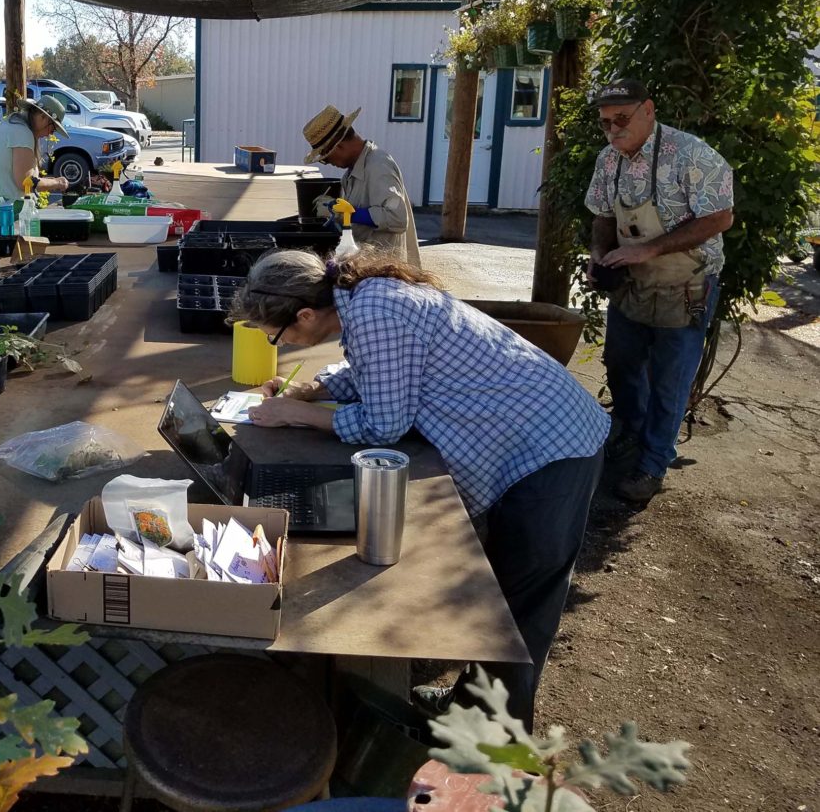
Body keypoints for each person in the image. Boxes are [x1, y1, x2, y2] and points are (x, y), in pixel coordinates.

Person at [232, 247, 608, 728]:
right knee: (497, 590)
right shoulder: (361, 298)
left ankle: (497, 747)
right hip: (534, 436)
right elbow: (380, 370)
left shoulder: (374, 310)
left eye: (278, 337)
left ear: (305, 314)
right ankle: (469, 707)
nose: (282, 346)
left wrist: (296, 413)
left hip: (551, 446)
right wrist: (316, 390)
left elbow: (384, 422)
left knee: (517, 607)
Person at [584, 79, 734, 504]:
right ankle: (631, 430)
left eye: (622, 119)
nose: (613, 130)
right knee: (621, 363)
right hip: (634, 283)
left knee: (670, 381)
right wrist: (600, 254)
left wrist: (649, 247)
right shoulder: (608, 161)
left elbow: (719, 218)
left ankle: (652, 465)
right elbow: (601, 215)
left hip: (687, 285)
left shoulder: (692, 155)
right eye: (606, 123)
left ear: (648, 109)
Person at [302, 104, 421, 268]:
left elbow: (397, 218)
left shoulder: (378, 165)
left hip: (385, 269)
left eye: (326, 158)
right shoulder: (351, 173)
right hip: (364, 263)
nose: (328, 163)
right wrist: (336, 212)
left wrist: (350, 214)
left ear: (340, 146)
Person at [0, 95, 72, 231]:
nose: (49, 135)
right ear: (43, 117)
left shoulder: (11, 126)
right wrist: (57, 183)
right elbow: (25, 181)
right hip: (8, 207)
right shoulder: (22, 133)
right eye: (52, 129)